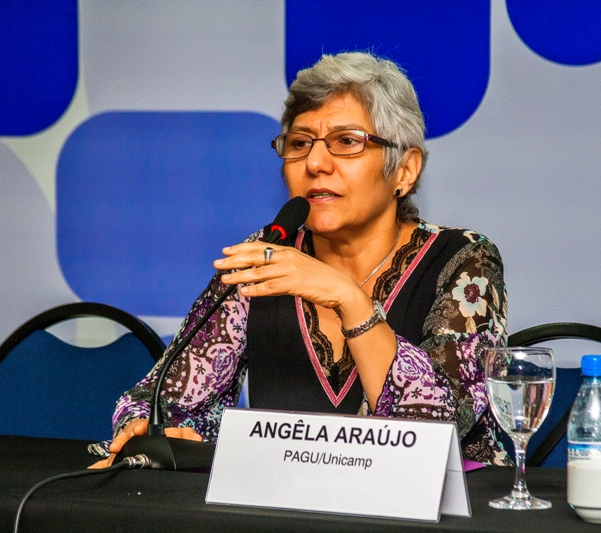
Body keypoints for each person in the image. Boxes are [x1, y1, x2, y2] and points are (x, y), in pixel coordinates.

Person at [89, 51, 510, 468]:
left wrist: (349, 299)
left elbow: (435, 427)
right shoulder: (267, 257)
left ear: (404, 169)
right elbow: (160, 398)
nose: (315, 163)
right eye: (299, 143)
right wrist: (161, 427)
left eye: (347, 141)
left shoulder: (464, 260)